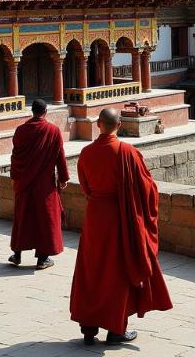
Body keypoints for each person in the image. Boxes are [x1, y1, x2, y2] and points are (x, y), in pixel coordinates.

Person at [70, 107, 172, 345]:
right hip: (120, 217)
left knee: (92, 270)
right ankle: (116, 329)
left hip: (95, 217)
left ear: (99, 125)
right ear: (120, 125)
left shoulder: (85, 153)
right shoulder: (128, 152)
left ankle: (88, 328)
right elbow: (148, 188)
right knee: (117, 272)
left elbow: (86, 189)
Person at [8, 98, 69, 270]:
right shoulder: (53, 130)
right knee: (45, 219)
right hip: (45, 185)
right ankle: (43, 259)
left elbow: (15, 157)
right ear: (45, 112)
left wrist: (15, 177)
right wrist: (63, 178)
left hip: (24, 182)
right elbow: (60, 156)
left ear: (32, 111)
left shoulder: (20, 130)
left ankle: (17, 254)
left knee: (23, 217)